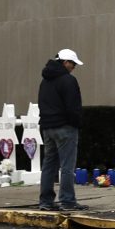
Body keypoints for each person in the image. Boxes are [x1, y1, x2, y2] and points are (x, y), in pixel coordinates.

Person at [36, 47, 85, 212]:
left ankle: (46, 201)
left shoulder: (45, 80)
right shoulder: (68, 80)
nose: (74, 67)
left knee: (48, 165)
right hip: (65, 127)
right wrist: (77, 123)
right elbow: (73, 107)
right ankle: (67, 200)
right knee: (67, 166)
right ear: (65, 62)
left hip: (47, 127)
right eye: (73, 64)